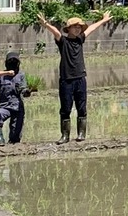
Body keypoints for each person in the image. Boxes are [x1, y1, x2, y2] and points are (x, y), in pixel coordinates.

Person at [37, 9, 111, 141]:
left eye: (79, 27)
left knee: (81, 107)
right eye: (75, 27)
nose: (78, 29)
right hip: (66, 80)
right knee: (65, 108)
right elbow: (56, 32)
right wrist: (46, 24)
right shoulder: (63, 42)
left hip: (80, 78)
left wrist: (104, 20)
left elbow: (92, 28)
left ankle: (81, 134)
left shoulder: (80, 40)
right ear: (69, 28)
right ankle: (65, 135)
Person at [0, 50, 27, 145]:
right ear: (6, 63)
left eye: (15, 62)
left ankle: (14, 147)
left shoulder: (21, 75)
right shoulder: (1, 76)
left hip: (17, 108)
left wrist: (26, 92)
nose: (13, 64)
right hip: (5, 106)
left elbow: (23, 89)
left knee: (15, 138)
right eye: (11, 62)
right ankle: (0, 139)